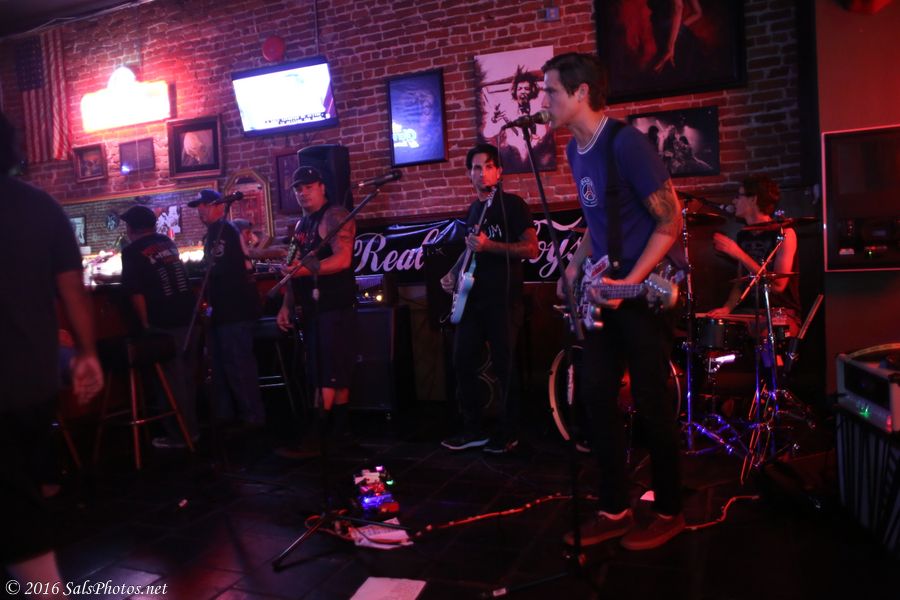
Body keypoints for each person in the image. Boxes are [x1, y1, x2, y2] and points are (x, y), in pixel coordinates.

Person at [542, 52, 686, 550]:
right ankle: (615, 509)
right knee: (595, 395)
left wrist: (630, 283)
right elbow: (597, 222)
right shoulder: (574, 151)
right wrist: (575, 266)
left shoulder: (626, 144)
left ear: (581, 92)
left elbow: (671, 221)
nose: (544, 101)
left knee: (652, 403)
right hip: (607, 293)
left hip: (643, 292)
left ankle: (669, 510)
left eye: (551, 91)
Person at [1, 110, 104, 592]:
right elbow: (73, 289)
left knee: (17, 517)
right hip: (35, 382)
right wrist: (87, 353)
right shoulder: (41, 206)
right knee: (22, 491)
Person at [439, 143, 538, 454]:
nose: (482, 173)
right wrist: (453, 273)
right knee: (461, 360)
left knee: (505, 366)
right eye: (476, 168)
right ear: (469, 173)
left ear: (499, 172)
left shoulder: (513, 205)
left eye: (488, 167)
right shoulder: (473, 210)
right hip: (473, 300)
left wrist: (490, 246)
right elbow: (472, 249)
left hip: (503, 299)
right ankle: (473, 430)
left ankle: (509, 433)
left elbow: (531, 249)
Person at [276, 166, 357, 449]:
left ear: (322, 187)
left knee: (327, 373)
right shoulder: (301, 226)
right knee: (333, 372)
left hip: (335, 306)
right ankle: (340, 433)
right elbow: (291, 266)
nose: (303, 192)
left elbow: (343, 260)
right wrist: (286, 304)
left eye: (308, 187)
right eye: (298, 188)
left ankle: (316, 435)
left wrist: (303, 270)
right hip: (313, 309)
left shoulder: (335, 216)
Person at [118, 205, 199, 449]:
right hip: (189, 315)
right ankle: (193, 430)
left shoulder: (131, 251)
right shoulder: (167, 243)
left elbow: (136, 293)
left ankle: (182, 436)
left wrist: (145, 324)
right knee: (186, 377)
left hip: (163, 320)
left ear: (131, 229)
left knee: (171, 381)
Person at [188, 189, 265, 428]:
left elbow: (220, 267)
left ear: (219, 206)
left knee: (237, 366)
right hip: (225, 311)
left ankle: (252, 419)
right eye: (199, 206)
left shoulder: (223, 231)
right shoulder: (218, 232)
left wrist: (195, 269)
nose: (200, 210)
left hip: (234, 310)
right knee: (223, 366)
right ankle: (229, 417)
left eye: (204, 205)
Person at [708, 176, 801, 337]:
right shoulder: (743, 235)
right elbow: (740, 283)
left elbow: (779, 286)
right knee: (715, 331)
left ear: (753, 199)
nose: (734, 201)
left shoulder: (785, 233)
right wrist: (727, 308)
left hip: (780, 312)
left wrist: (737, 253)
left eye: (738, 196)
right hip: (749, 311)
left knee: (766, 337)